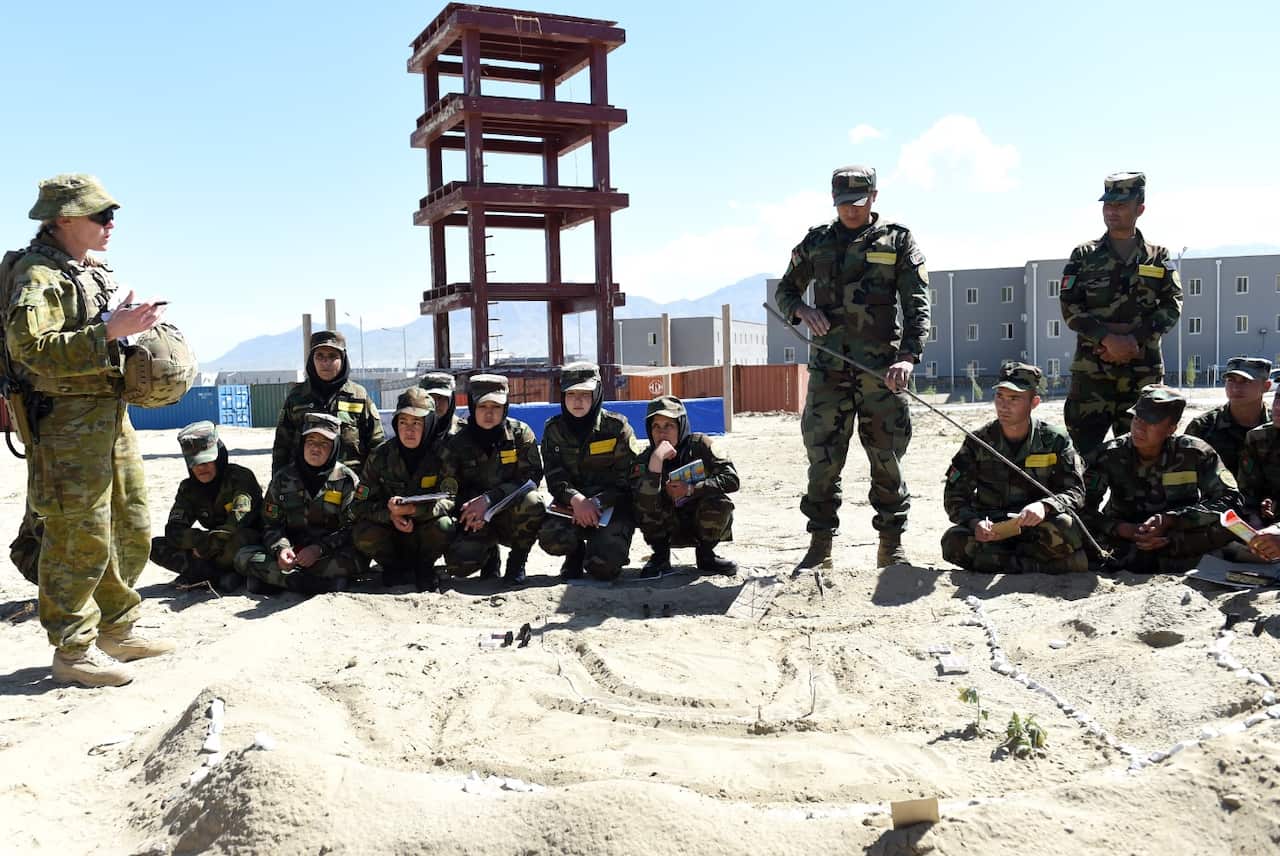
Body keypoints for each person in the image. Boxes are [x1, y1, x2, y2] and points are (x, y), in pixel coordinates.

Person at [2, 173, 172, 687]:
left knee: (130, 521)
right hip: (65, 425)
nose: (110, 224)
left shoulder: (82, 269)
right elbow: (31, 351)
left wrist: (123, 322)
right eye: (100, 215)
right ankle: (72, 649)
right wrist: (108, 332)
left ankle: (117, 626)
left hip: (107, 414)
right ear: (65, 220)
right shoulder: (38, 277)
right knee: (79, 535)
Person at [774, 165, 929, 569]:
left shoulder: (897, 241)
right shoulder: (817, 242)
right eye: (843, 204)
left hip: (882, 371)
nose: (850, 211)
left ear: (874, 197)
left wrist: (908, 357)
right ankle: (820, 546)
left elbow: (917, 305)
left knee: (886, 457)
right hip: (829, 370)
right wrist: (803, 311)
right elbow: (785, 291)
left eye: (858, 203)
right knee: (823, 459)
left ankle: (891, 545)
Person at [1059, 172, 1182, 461]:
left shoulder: (1157, 256)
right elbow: (1069, 305)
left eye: (1121, 205)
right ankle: (1083, 508)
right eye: (1108, 204)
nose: (1111, 210)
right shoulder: (1084, 255)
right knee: (1082, 457)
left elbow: (1172, 303)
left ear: (1140, 208)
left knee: (1143, 455)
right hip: (1093, 374)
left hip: (1142, 372)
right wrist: (1107, 338)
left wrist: (1132, 340)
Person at [941, 362, 1088, 574]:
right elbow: (954, 496)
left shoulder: (1055, 440)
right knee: (952, 542)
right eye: (999, 397)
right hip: (993, 529)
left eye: (1014, 399)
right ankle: (1040, 566)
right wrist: (975, 523)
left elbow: (1075, 491)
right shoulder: (979, 441)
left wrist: (1044, 507)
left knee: (1067, 529)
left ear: (1034, 402)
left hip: (1037, 526)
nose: (1003, 406)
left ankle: (1002, 564)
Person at [1084, 385, 1239, 573]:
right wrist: (1121, 528)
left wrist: (1171, 520)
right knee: (1072, 530)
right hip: (1124, 533)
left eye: (1151, 421)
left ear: (1171, 428)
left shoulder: (1194, 452)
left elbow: (1230, 499)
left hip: (1178, 532)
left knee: (1230, 526)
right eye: (1137, 418)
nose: (1139, 427)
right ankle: (1173, 560)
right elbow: (1082, 507)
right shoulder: (1109, 454)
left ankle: (1151, 557)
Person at [235, 412, 361, 594]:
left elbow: (352, 528)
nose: (315, 448)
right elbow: (270, 524)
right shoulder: (283, 478)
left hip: (329, 552)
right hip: (293, 551)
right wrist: (281, 549)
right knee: (243, 556)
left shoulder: (346, 480)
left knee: (358, 559)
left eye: (324, 443)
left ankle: (276, 580)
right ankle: (300, 581)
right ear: (302, 444)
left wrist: (319, 549)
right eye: (311, 441)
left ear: (334, 447)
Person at [438, 374, 545, 585]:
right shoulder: (456, 443)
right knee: (459, 564)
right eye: (482, 406)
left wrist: (489, 500)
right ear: (472, 405)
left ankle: (517, 562)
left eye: (496, 407)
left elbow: (531, 477)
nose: (489, 413)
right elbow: (448, 488)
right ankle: (489, 557)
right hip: (472, 517)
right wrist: (467, 509)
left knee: (534, 502)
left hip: (510, 513)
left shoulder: (519, 434)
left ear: (505, 408)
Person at [538, 363, 640, 581]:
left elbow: (628, 481)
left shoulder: (617, 428)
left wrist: (596, 503)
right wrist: (577, 500)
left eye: (585, 394)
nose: (577, 400)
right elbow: (555, 477)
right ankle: (574, 555)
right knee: (551, 537)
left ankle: (601, 548)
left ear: (597, 392)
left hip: (611, 506)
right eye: (571, 393)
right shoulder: (553, 430)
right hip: (572, 506)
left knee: (604, 569)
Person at [351, 388, 455, 592]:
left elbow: (450, 498)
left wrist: (415, 511)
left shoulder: (443, 455)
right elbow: (359, 505)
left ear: (429, 424)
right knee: (362, 532)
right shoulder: (380, 456)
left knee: (445, 525)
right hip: (391, 532)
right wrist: (389, 514)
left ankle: (424, 567)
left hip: (426, 529)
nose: (409, 430)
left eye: (417, 423)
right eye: (403, 422)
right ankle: (394, 567)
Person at [149, 421, 263, 591]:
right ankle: (218, 575)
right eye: (195, 463)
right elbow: (174, 530)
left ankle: (206, 573)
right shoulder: (188, 489)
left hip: (241, 542)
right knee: (155, 547)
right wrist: (200, 541)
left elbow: (237, 522)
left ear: (219, 457)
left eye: (207, 461)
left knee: (239, 539)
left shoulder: (240, 478)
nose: (201, 468)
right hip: (209, 549)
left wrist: (207, 546)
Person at [634, 395, 738, 576]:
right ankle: (660, 557)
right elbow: (643, 503)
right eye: (656, 427)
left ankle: (706, 556)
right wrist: (656, 461)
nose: (662, 433)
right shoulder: (646, 458)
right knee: (641, 501)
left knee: (720, 502)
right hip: (665, 525)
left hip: (699, 520)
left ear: (681, 426)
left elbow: (731, 479)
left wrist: (692, 489)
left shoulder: (700, 445)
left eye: (669, 426)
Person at [272, 330, 383, 477]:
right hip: (304, 487)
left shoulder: (358, 396)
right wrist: (279, 485)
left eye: (333, 356)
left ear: (343, 359)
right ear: (312, 360)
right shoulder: (297, 397)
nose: (326, 362)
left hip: (348, 488)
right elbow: (282, 446)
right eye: (320, 356)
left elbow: (376, 445)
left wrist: (369, 488)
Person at [1185, 356, 1272, 477]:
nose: (1236, 388)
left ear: (1266, 386)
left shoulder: (1275, 425)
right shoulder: (1203, 427)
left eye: (1245, 381)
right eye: (1231, 380)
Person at [1239, 386, 1280, 530]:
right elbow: (1248, 490)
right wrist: (1255, 515)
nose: (1278, 407)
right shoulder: (1258, 438)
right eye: (1277, 398)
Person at [419, 371, 462, 436]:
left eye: (441, 398)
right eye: (430, 398)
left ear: (451, 400)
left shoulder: (462, 432)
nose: (436, 404)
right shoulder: (411, 431)